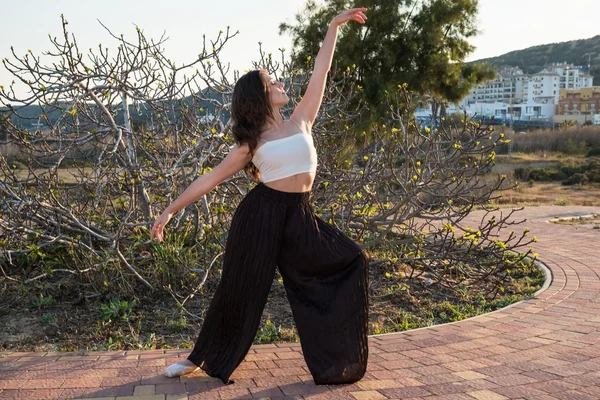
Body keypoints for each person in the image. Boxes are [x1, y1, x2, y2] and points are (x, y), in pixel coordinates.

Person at [151, 7, 369, 386]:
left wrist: (334, 26)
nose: (280, 83)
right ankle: (199, 358)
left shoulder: (301, 119)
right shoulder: (251, 144)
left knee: (351, 260)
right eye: (272, 81)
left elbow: (322, 71)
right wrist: (170, 210)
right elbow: (210, 178)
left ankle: (336, 359)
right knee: (240, 289)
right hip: (261, 216)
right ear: (260, 95)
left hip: (299, 217)